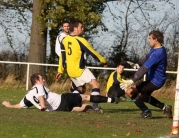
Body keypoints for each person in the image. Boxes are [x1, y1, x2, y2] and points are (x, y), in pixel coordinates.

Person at [56, 19, 108, 110]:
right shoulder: (80, 40)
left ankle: (68, 103)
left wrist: (60, 70)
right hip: (80, 69)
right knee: (96, 85)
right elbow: (93, 53)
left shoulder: (64, 40)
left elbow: (62, 57)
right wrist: (103, 61)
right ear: (75, 28)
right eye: (81, 27)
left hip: (70, 70)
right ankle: (95, 108)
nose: (83, 29)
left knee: (81, 88)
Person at [120, 30, 172, 119]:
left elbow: (145, 68)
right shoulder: (156, 49)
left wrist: (132, 80)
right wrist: (138, 64)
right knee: (143, 97)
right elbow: (147, 58)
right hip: (155, 80)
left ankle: (146, 112)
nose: (149, 40)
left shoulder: (158, 53)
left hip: (155, 81)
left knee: (130, 91)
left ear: (156, 40)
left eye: (150, 38)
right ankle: (165, 107)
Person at [2, 73, 119, 112]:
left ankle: (91, 110)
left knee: (79, 107)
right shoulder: (39, 87)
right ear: (37, 81)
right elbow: (41, 95)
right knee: (87, 97)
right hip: (62, 99)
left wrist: (9, 105)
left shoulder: (28, 95)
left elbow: (21, 105)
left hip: (58, 109)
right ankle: (112, 100)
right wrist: (42, 106)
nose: (44, 80)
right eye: (42, 78)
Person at [55, 21, 85, 93]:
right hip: (67, 62)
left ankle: (72, 91)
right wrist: (65, 59)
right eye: (65, 26)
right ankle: (73, 93)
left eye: (68, 26)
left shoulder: (73, 36)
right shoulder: (60, 37)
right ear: (62, 27)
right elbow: (58, 50)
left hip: (76, 61)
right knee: (77, 80)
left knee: (78, 80)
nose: (67, 27)